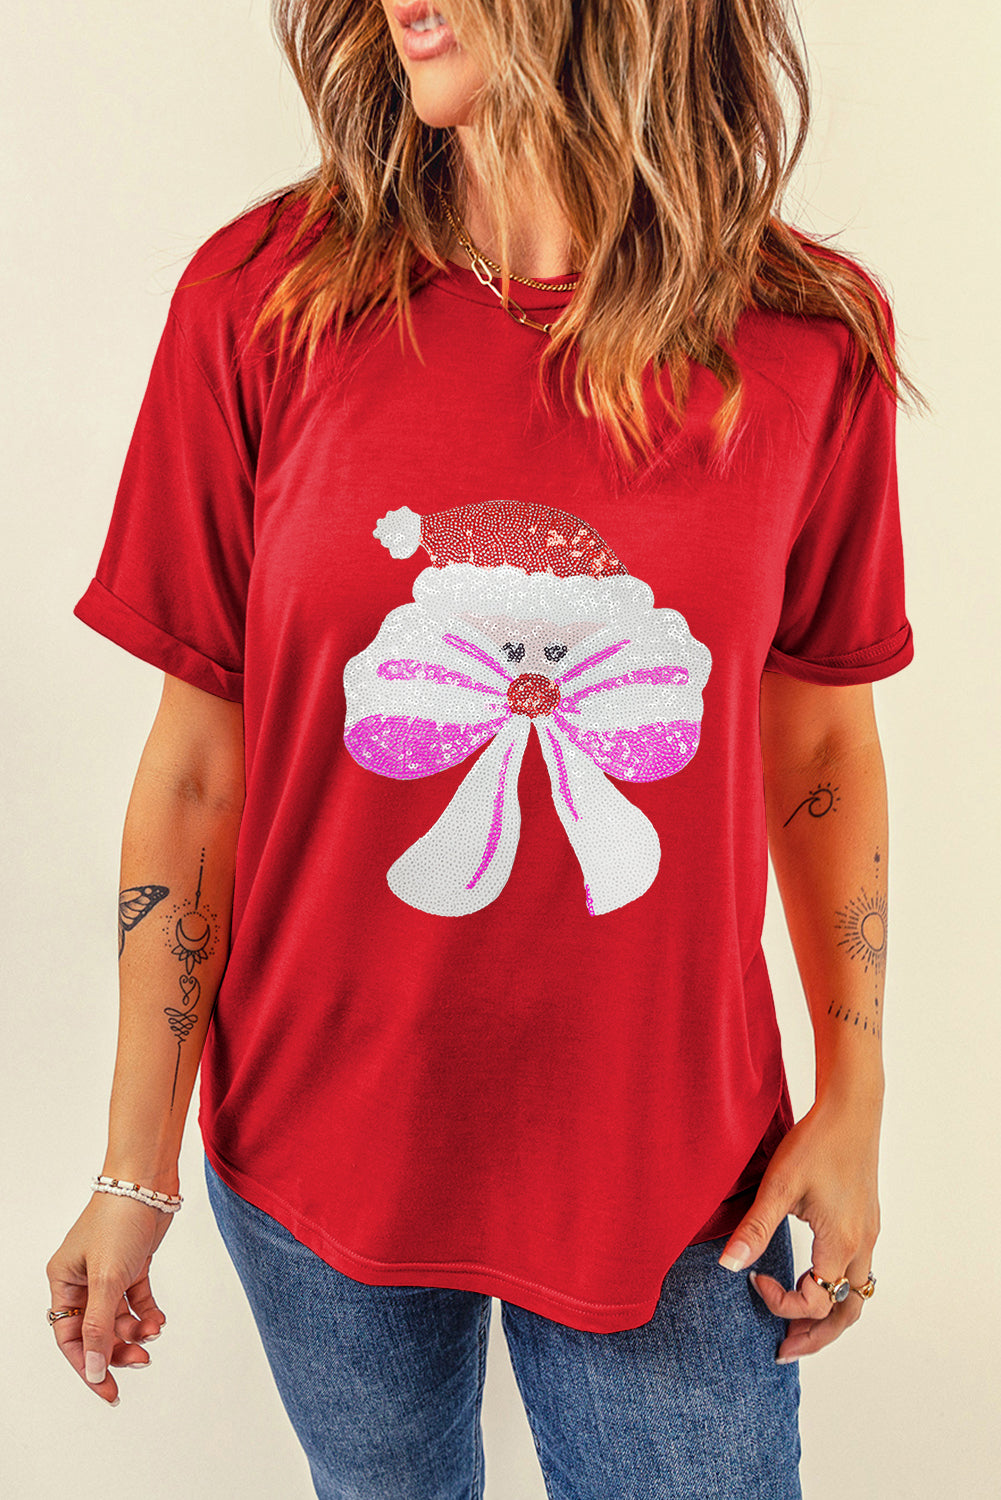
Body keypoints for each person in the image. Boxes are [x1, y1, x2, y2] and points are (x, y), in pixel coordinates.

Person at [46, 1, 921, 1495]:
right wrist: (136, 1166)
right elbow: (198, 768)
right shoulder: (263, 299)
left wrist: (856, 1098)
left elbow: (822, 736)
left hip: (668, 1164)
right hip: (319, 1138)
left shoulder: (806, 336)